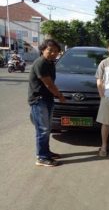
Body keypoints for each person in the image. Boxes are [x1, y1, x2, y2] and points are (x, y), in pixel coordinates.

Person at [28, 39, 65, 167]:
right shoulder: (41, 63)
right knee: (42, 129)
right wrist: (60, 96)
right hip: (39, 100)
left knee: (47, 128)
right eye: (50, 50)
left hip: (47, 99)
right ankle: (41, 157)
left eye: (56, 51)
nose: (53, 53)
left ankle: (46, 152)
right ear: (43, 50)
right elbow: (49, 84)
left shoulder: (50, 63)